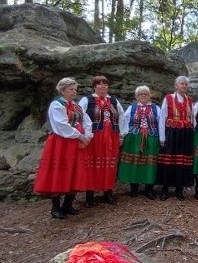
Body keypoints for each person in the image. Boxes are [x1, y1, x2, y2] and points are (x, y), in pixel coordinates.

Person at [33, 77, 93, 219]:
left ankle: (67, 204)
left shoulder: (76, 106)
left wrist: (88, 135)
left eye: (75, 89)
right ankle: (55, 208)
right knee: (59, 173)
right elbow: (62, 126)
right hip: (61, 144)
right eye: (71, 89)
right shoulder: (57, 105)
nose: (74, 92)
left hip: (76, 144)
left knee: (75, 173)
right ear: (63, 90)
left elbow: (87, 121)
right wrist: (81, 136)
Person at [79, 75, 124, 206]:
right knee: (92, 165)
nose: (103, 86)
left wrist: (121, 134)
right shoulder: (87, 100)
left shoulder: (114, 101)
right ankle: (89, 196)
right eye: (99, 84)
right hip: (95, 137)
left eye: (105, 84)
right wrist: (84, 134)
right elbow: (80, 115)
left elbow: (121, 116)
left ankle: (108, 193)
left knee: (110, 164)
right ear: (94, 86)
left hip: (112, 137)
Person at [117, 86, 161, 200]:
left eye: (146, 94)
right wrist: (122, 136)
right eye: (141, 94)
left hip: (151, 138)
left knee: (150, 164)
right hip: (134, 138)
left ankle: (149, 188)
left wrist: (162, 138)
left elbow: (161, 123)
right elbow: (124, 121)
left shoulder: (156, 108)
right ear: (137, 96)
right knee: (134, 162)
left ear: (149, 95)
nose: (144, 96)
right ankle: (134, 187)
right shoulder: (132, 108)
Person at [157, 76, 195, 201]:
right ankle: (165, 189)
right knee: (169, 161)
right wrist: (162, 137)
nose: (184, 86)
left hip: (185, 135)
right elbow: (162, 117)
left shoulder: (189, 100)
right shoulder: (168, 99)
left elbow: (192, 119)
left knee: (182, 162)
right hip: (172, 133)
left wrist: (192, 135)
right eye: (181, 84)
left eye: (185, 84)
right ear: (176, 86)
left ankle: (179, 188)